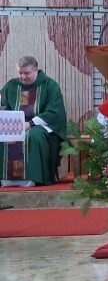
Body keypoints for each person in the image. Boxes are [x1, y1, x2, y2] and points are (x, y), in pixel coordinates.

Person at [0, 56, 67, 187]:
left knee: (32, 136)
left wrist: (30, 123)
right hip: (14, 124)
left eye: (27, 73)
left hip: (41, 125)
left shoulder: (50, 85)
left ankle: (33, 178)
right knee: (4, 136)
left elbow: (54, 112)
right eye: (20, 73)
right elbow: (4, 105)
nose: (23, 77)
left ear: (36, 70)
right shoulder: (11, 85)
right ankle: (5, 178)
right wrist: (11, 121)